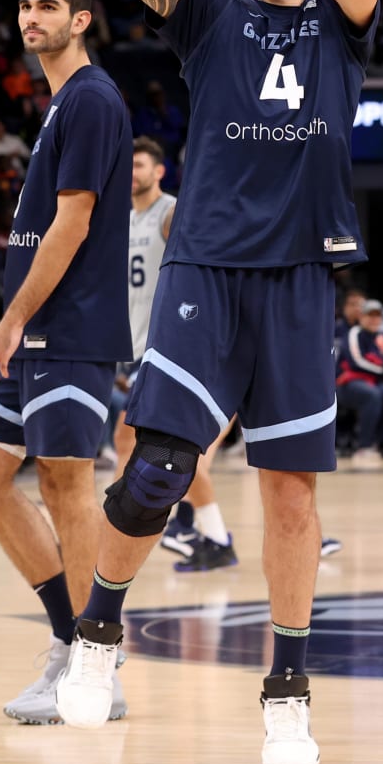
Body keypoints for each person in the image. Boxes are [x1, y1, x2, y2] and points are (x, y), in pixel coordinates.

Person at [56, 0, 380, 764]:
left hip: (298, 279)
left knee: (290, 493)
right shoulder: (209, 14)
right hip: (205, 267)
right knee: (156, 469)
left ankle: (288, 690)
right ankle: (97, 636)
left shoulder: (344, 26)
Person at [0, 0, 134, 726]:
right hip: (34, 332)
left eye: (48, 7)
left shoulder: (91, 99)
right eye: (24, 5)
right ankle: (70, 638)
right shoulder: (63, 103)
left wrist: (12, 319)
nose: (31, 17)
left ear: (82, 20)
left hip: (67, 328)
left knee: (66, 482)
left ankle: (98, 660)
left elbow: (73, 224)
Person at [116, 136, 238, 572]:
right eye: (127, 165)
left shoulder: (170, 213)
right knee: (142, 446)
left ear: (160, 171)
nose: (133, 172)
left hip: (177, 351)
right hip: (138, 350)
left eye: (141, 165)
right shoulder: (123, 218)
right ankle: (194, 528)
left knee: (173, 449)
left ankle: (202, 534)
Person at [337, 298, 383, 464]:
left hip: (374, 381)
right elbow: (356, 362)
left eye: (377, 316)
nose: (374, 319)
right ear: (361, 317)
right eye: (369, 315)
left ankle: (380, 441)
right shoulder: (354, 334)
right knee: (372, 395)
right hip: (348, 382)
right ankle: (364, 445)